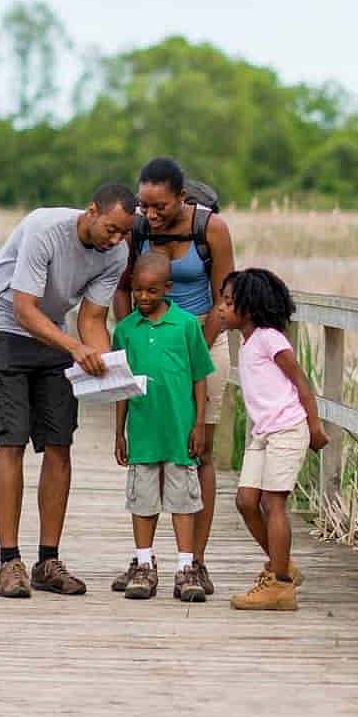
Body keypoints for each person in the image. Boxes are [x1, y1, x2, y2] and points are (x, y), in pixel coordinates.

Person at [0, 183, 136, 598]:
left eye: (123, 233)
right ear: (92, 210)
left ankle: (48, 561)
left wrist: (106, 368)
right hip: (1, 326)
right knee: (12, 441)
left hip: (53, 335)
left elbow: (93, 319)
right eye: (111, 229)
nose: (115, 240)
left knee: (59, 442)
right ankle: (9, 561)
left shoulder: (116, 253)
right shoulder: (45, 228)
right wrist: (76, 350)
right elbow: (23, 309)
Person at [114, 157, 236, 595]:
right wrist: (127, 341)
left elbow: (226, 297)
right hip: (150, 341)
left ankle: (194, 562)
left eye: (160, 206)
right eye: (144, 206)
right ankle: (144, 559)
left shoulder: (211, 229)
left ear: (181, 199)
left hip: (203, 337)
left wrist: (192, 349)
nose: (151, 214)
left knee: (196, 448)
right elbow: (123, 286)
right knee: (149, 450)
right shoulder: (139, 229)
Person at [215, 268, 328, 611]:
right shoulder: (247, 341)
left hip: (287, 428)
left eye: (229, 302)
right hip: (262, 433)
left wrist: (315, 426)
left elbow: (301, 382)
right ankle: (284, 566)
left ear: (249, 308)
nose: (221, 307)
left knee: (272, 503)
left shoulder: (269, 338)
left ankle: (279, 585)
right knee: (246, 501)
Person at [109, 251, 216, 602]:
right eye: (137, 290)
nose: (143, 297)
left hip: (179, 431)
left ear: (167, 288)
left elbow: (200, 377)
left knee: (182, 499)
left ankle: (186, 567)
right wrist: (119, 432)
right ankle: (143, 563)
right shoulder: (125, 331)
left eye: (151, 291)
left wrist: (199, 424)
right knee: (143, 499)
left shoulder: (186, 325)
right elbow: (121, 386)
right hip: (142, 432)